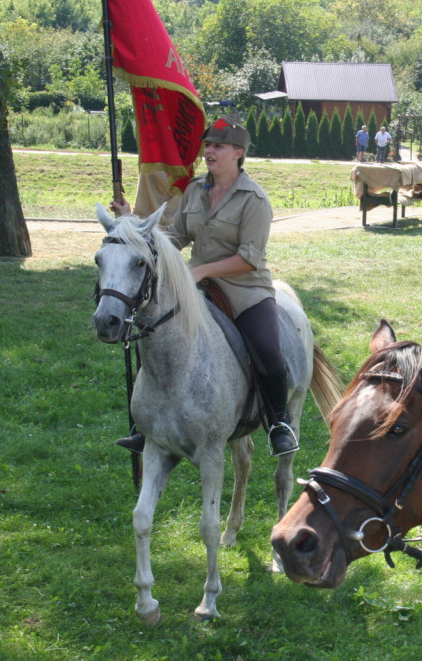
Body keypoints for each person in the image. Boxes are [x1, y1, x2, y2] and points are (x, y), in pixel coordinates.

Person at [112, 114, 299, 457]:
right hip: (197, 285)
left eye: (219, 146)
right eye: (208, 145)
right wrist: (132, 223)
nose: (210, 151)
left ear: (238, 153)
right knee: (155, 335)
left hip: (246, 290)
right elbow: (176, 237)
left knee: (269, 352)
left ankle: (278, 422)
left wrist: (200, 272)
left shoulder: (255, 200)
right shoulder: (197, 189)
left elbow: (249, 258)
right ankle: (148, 423)